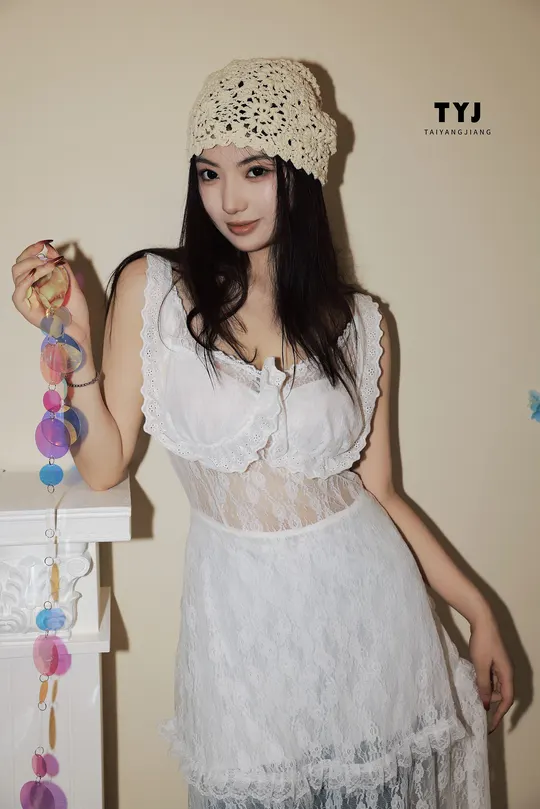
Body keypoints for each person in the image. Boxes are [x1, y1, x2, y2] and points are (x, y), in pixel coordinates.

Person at [12, 57, 513, 809]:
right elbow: (107, 464)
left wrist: (479, 609)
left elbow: (381, 493)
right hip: (240, 634)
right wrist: (75, 341)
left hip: (372, 622)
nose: (230, 199)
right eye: (209, 174)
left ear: (299, 174)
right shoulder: (155, 291)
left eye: (254, 170)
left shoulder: (359, 321)